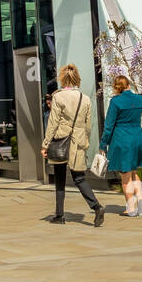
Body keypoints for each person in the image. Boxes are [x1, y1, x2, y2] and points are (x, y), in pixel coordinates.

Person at [40, 64, 104, 227]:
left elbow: (53, 123)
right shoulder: (85, 98)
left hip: (61, 140)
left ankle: (59, 215)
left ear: (62, 78)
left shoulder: (58, 97)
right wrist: (86, 141)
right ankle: (96, 207)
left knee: (60, 178)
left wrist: (45, 144)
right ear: (77, 79)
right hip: (78, 141)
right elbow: (88, 126)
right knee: (79, 178)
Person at [101, 76, 142, 216]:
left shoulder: (115, 102)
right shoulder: (139, 99)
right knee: (134, 172)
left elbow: (109, 126)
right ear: (128, 85)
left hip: (122, 139)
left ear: (116, 87)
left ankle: (131, 208)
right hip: (138, 137)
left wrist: (103, 144)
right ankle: (140, 200)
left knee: (125, 175)